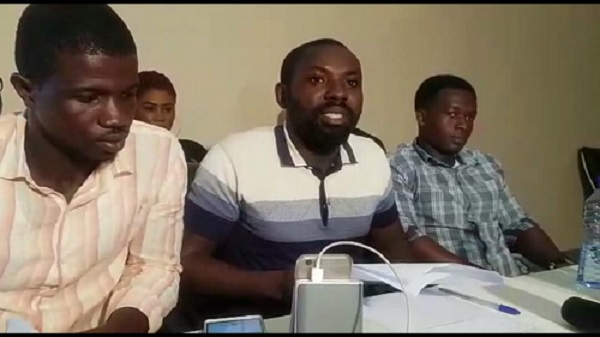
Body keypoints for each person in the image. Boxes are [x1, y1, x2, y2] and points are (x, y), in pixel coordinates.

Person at [178, 38, 415, 327]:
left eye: (352, 83)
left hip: (347, 319)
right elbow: (185, 265)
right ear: (283, 95)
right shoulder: (235, 157)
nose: (339, 93)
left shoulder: (372, 156)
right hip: (261, 319)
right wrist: (278, 285)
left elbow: (395, 249)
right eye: (317, 79)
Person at [2, 4, 186, 332]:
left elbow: (154, 266)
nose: (116, 118)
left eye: (128, 95)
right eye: (89, 98)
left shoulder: (156, 151)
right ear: (27, 91)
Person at [388, 74, 572, 277]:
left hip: (510, 280)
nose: (463, 125)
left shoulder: (485, 164)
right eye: (452, 114)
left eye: (469, 117)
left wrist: (561, 266)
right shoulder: (401, 166)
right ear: (422, 117)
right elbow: (409, 238)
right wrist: (481, 279)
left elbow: (518, 225)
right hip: (452, 289)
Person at [135, 70, 208, 164]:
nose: (159, 117)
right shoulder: (120, 156)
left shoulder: (192, 153)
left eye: (167, 109)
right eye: (150, 109)